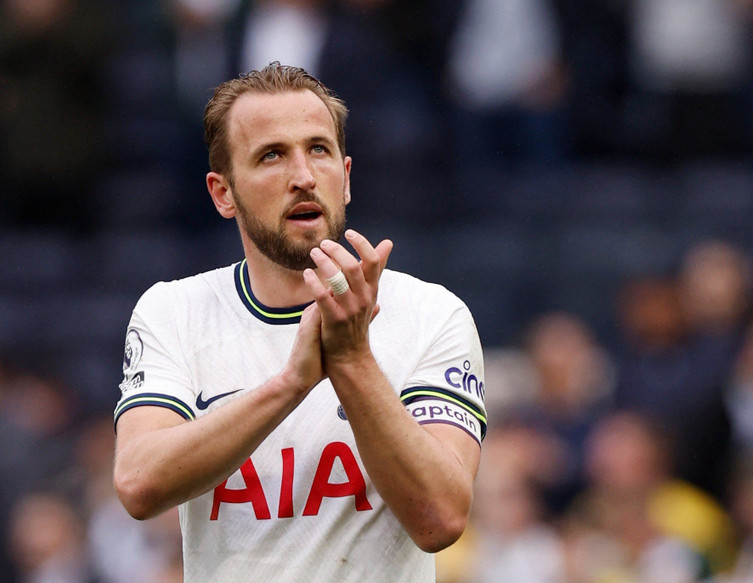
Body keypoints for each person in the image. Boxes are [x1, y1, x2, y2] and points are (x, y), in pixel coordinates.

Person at [112, 62, 486, 582]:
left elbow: (441, 518)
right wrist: (291, 383)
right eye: (271, 155)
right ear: (224, 193)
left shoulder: (432, 314)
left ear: (347, 177)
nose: (305, 176)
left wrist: (352, 360)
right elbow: (138, 482)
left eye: (318, 149)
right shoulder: (174, 311)